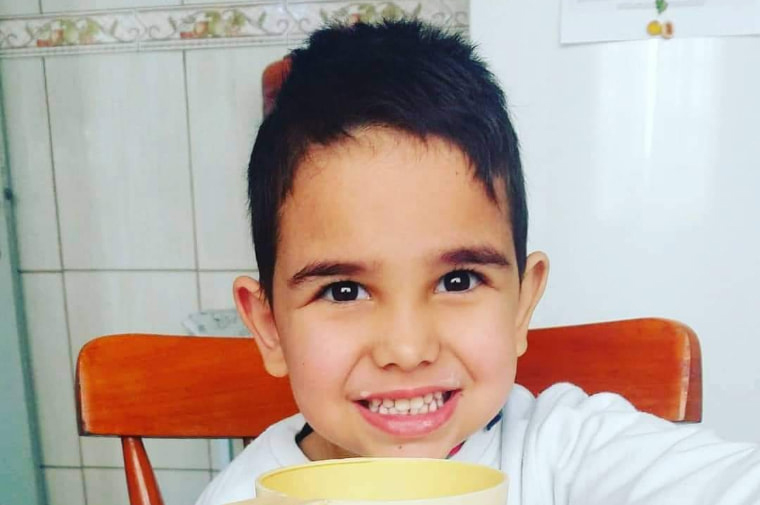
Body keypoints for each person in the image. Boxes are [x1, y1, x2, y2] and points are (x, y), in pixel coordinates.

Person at [196, 20, 760, 505]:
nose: (408, 350)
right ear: (269, 326)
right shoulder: (240, 493)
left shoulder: (564, 450)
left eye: (458, 280)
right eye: (344, 291)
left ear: (522, 305)